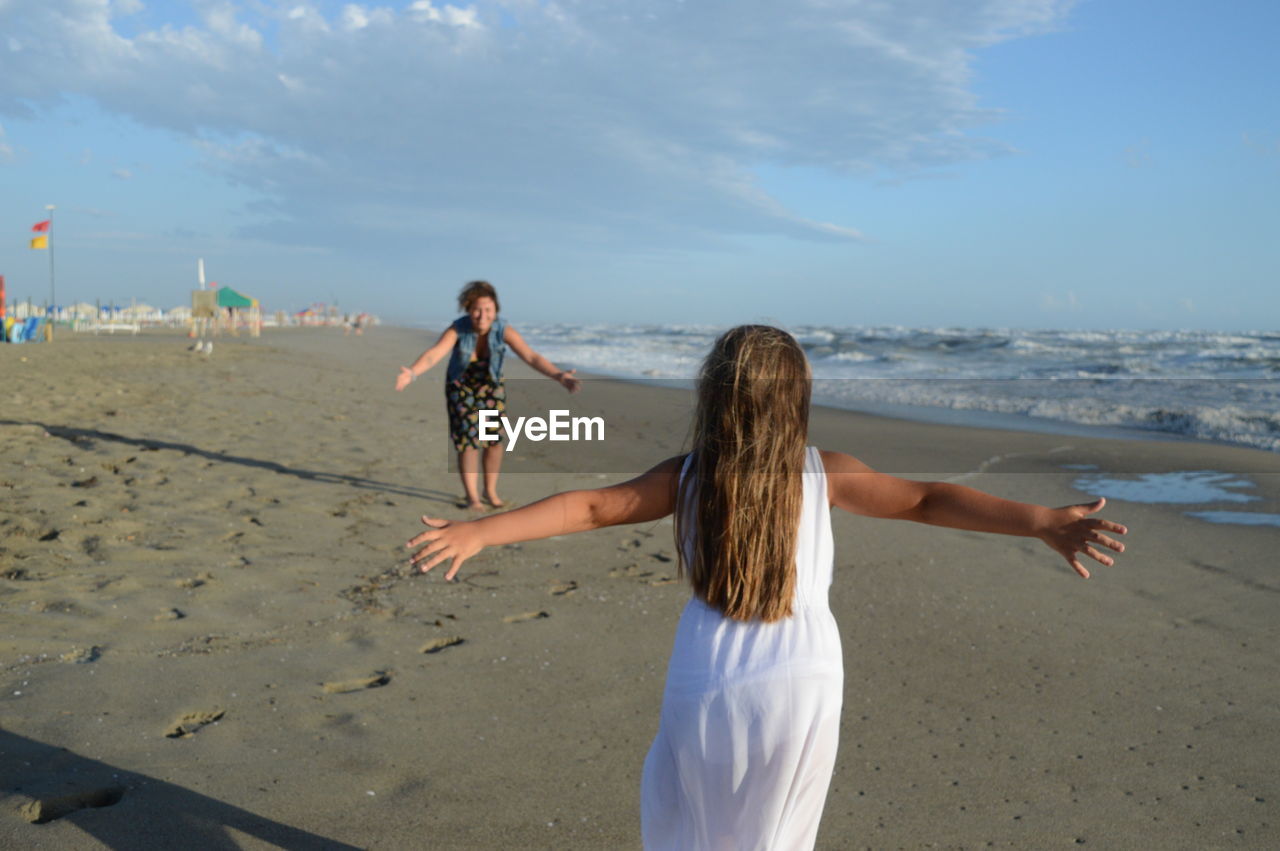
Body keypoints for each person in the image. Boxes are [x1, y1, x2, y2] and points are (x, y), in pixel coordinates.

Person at [405, 325, 1128, 849]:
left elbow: (590, 505)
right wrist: (1038, 520)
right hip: (805, 678)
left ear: (714, 398)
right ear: (797, 400)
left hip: (708, 670)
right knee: (777, 835)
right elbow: (926, 498)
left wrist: (480, 531)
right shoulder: (824, 469)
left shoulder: (688, 474)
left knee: (688, 816)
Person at [395, 280, 580, 511]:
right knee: (468, 443)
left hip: (490, 388)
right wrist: (412, 372)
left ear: (496, 310)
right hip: (460, 388)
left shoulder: (503, 330)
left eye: (488, 310)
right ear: (468, 309)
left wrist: (559, 376)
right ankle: (472, 496)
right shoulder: (458, 329)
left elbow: (531, 357)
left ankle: (490, 490)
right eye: (477, 309)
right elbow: (435, 353)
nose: (482, 316)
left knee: (494, 441)